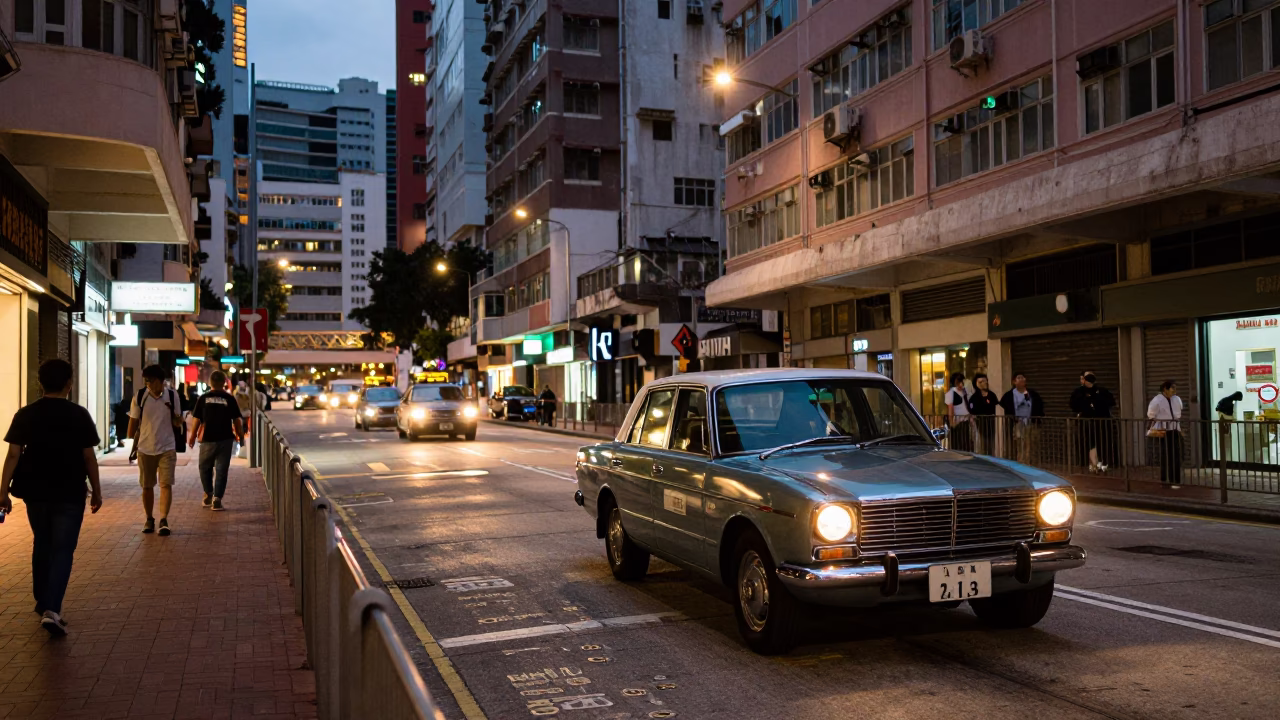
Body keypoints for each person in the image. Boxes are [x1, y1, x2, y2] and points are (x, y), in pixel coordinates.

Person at [0, 359, 103, 635]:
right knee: (63, 548)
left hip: (35, 492)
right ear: (69, 384)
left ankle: (42, 599)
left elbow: (13, 454)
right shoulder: (79, 414)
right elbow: (88, 456)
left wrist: (2, 491)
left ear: (40, 383)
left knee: (43, 542)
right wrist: (97, 490)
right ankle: (51, 608)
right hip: (69, 491)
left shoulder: (26, 414)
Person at [129, 364, 183, 536]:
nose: (148, 384)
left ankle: (164, 519)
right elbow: (133, 423)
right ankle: (149, 518)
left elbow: (178, 422)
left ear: (160, 381)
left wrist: (174, 415)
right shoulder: (140, 396)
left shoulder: (173, 396)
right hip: (145, 448)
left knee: (166, 484)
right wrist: (133, 442)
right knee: (147, 486)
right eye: (146, 381)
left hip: (167, 446)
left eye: (151, 381)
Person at [190, 371, 244, 511]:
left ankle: (208, 493)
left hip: (207, 439)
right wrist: (241, 436)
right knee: (221, 470)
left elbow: (196, 419)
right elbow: (237, 420)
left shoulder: (203, 398)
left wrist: (192, 436)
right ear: (224, 383)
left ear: (210, 383)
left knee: (204, 468)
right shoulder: (229, 398)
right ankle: (217, 499)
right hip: (225, 439)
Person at [1070, 370, 1117, 474]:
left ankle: (1101, 465)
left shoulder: (1102, 391)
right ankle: (1093, 465)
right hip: (1086, 423)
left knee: (1103, 443)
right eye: (1084, 378)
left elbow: (1110, 402)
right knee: (1090, 444)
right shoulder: (1078, 392)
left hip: (1102, 423)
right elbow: (1073, 405)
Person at [999, 373, 1044, 465]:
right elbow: (1005, 404)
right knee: (1021, 445)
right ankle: (1022, 464)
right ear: (1014, 381)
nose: (1021, 379)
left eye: (1023, 377)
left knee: (1032, 446)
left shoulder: (1030, 393)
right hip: (1018, 423)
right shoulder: (1010, 395)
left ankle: (1032, 465)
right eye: (1018, 378)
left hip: (1031, 423)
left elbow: (1038, 405)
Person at [1148, 380, 1183, 488]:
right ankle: (1165, 480)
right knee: (1165, 455)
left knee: (1175, 455)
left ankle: (1175, 480)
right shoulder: (1157, 400)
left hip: (1175, 429)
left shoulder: (1176, 399)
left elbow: (1179, 410)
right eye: (1172, 388)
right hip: (1163, 430)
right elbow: (1151, 414)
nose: (1174, 390)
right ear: (1165, 389)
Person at [966, 373, 999, 455]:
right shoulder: (974, 398)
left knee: (991, 444)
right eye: (980, 382)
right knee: (982, 445)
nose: (984, 383)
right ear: (976, 384)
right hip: (980, 424)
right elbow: (972, 410)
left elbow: (996, 406)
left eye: (985, 381)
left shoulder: (992, 395)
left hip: (991, 424)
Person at [944, 372, 973, 452]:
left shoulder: (963, 392)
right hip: (957, 422)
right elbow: (950, 408)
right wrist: (952, 422)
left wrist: (970, 417)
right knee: (958, 443)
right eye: (958, 382)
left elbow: (966, 404)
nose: (961, 384)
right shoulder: (951, 393)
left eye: (962, 382)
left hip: (965, 420)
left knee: (965, 443)